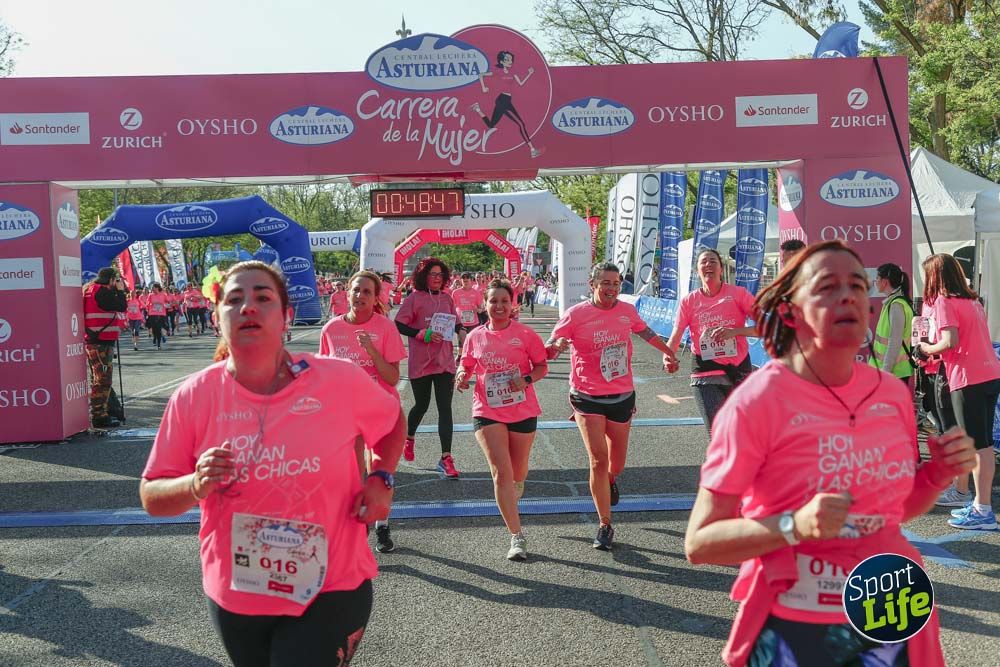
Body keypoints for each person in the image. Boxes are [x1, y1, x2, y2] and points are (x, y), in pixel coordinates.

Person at [685, 240, 975, 667]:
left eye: (858, 285)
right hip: (799, 625)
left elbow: (887, 514)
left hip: (891, 612)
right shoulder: (755, 403)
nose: (848, 296)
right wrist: (794, 525)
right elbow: (701, 542)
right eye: (827, 287)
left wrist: (935, 475)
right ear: (790, 312)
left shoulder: (890, 395)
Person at [139, 260, 405, 667]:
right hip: (240, 591)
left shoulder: (337, 380)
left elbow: (391, 420)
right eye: (234, 299)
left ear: (286, 317)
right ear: (217, 317)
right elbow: (153, 497)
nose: (248, 307)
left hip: (331, 585)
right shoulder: (195, 396)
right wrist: (195, 484)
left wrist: (382, 476)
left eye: (263, 297)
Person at [546, 262, 678, 550]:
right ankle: (605, 524)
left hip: (621, 395)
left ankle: (610, 480)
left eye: (616, 283)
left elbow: (646, 333)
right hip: (586, 395)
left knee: (615, 461)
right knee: (597, 459)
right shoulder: (576, 314)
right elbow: (556, 340)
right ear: (592, 285)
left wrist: (669, 353)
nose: (611, 288)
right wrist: (553, 347)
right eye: (605, 283)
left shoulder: (627, 311)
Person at [456, 279, 548, 560]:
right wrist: (462, 375)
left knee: (517, 473)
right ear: (485, 304)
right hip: (487, 410)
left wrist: (527, 379)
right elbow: (467, 362)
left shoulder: (526, 335)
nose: (498, 306)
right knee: (500, 472)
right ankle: (516, 537)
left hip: (522, 410)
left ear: (513, 305)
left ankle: (515, 489)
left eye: (504, 301)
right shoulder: (475, 336)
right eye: (493, 301)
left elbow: (542, 366)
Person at [319, 270, 407, 553]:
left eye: (367, 292)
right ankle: (359, 528)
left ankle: (382, 524)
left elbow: (393, 378)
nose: (360, 296)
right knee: (354, 476)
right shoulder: (331, 329)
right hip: (346, 415)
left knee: (379, 473)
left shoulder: (384, 327)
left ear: (375, 298)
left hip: (381, 410)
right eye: (356, 290)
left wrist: (371, 351)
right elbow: (325, 377)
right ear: (347, 292)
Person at [918, 253, 1000, 529]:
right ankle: (980, 505)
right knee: (984, 444)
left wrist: (926, 349)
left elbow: (949, 341)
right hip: (989, 373)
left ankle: (982, 510)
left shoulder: (944, 301)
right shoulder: (972, 300)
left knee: (976, 446)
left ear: (935, 276)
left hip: (968, 378)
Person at [665, 248, 757, 435]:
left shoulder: (738, 294)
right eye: (703, 262)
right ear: (697, 271)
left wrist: (735, 332)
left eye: (713, 261)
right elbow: (677, 334)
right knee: (717, 433)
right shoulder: (689, 301)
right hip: (705, 369)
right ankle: (721, 461)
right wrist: (667, 356)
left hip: (739, 368)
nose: (708, 265)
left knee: (743, 431)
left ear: (721, 269)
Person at [395, 258, 463, 478]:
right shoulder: (414, 298)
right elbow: (399, 324)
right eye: (432, 275)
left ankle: (446, 458)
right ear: (424, 276)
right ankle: (409, 436)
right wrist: (420, 333)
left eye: (440, 275)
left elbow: (455, 322)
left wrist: (461, 331)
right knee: (421, 406)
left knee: (445, 408)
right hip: (421, 362)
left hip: (444, 361)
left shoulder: (447, 298)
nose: (436, 279)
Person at [471, 50, 542, 158]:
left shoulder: (512, 72)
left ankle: (477, 109)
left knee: (491, 125)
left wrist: (529, 74)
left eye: (510, 59)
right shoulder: (497, 71)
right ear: (501, 61)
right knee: (521, 124)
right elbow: (481, 75)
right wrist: (483, 88)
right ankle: (532, 150)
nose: (510, 61)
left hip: (506, 100)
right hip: (503, 100)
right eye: (507, 60)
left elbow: (521, 83)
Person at [82, 267, 128, 428]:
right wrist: (121, 291)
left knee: (99, 378)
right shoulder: (101, 291)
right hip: (100, 340)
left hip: (95, 339)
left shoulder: (89, 289)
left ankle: (103, 411)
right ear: (110, 280)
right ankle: (99, 416)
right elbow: (121, 306)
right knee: (102, 379)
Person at [869, 263, 914, 383]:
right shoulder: (894, 303)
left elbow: (895, 341)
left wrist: (886, 371)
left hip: (893, 372)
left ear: (885, 282)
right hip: (889, 371)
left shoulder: (896, 305)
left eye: (877, 278)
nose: (875, 282)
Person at [452, 272, 484, 344]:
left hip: (473, 322)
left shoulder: (476, 293)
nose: (465, 280)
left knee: (473, 343)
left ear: (471, 280)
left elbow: (481, 308)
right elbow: (452, 308)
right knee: (462, 344)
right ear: (461, 280)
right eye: (463, 278)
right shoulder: (455, 292)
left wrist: (479, 310)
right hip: (461, 322)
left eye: (467, 278)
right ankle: (460, 355)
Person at [146, 283, 170, 350]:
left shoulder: (163, 295)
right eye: (152, 288)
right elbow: (147, 303)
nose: (152, 289)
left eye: (153, 288)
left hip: (161, 314)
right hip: (152, 314)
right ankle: (155, 338)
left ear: (157, 288)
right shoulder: (150, 295)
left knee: (159, 329)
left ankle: (159, 344)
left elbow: (168, 301)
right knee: (154, 329)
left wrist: (168, 304)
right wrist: (150, 304)